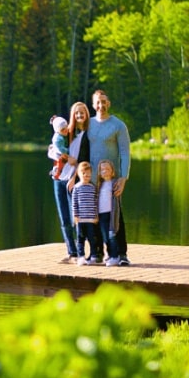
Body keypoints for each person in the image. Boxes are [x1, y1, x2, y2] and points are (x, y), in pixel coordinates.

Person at [87, 89, 131, 266]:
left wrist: (123, 177)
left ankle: (121, 254)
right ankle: (96, 253)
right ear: (93, 104)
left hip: (111, 180)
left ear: (109, 103)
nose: (101, 105)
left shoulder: (118, 126)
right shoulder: (88, 125)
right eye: (98, 102)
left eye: (104, 101)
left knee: (115, 217)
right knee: (93, 217)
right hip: (91, 180)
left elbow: (125, 153)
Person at [52, 102, 91, 263]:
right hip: (59, 178)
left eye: (82, 113)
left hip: (73, 180)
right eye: (76, 113)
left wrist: (74, 177)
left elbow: (84, 159)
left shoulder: (86, 135)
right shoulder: (66, 134)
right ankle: (72, 252)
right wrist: (62, 157)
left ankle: (81, 252)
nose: (79, 116)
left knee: (76, 217)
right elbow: (53, 150)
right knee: (64, 218)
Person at [71, 161, 101, 265]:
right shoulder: (77, 187)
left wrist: (96, 215)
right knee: (80, 239)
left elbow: (96, 202)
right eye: (83, 173)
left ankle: (93, 256)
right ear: (79, 174)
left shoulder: (92, 188)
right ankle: (81, 257)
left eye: (88, 174)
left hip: (91, 219)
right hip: (80, 219)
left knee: (92, 238)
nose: (86, 176)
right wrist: (75, 215)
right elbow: (74, 203)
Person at [95, 159, 122, 266]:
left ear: (112, 171)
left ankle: (115, 256)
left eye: (107, 169)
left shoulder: (114, 183)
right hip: (101, 214)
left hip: (111, 214)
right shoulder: (99, 185)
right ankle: (109, 255)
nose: (105, 171)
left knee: (112, 235)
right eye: (102, 169)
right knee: (105, 236)